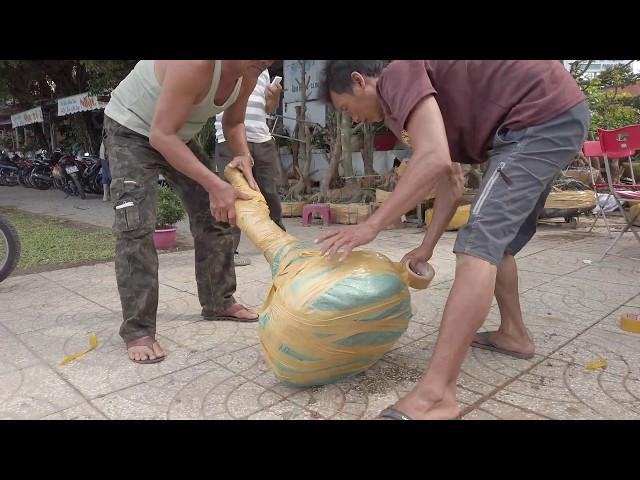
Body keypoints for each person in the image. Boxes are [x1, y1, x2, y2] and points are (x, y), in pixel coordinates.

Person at [317, 60, 589, 419]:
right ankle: (513, 334)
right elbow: (449, 176)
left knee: (477, 244)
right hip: (549, 116)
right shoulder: (414, 107)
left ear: (359, 80)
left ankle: (436, 395)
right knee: (496, 245)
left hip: (537, 117)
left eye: (347, 109)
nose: (353, 119)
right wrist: (427, 245)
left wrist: (372, 225)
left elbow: (432, 159)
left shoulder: (397, 76)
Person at [103, 60, 273, 364]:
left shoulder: (251, 71)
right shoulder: (196, 64)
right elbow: (159, 136)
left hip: (174, 134)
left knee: (216, 212)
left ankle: (218, 302)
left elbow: (234, 123)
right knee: (135, 226)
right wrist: (214, 184)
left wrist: (244, 156)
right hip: (131, 129)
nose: (265, 63)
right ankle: (138, 329)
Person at [214, 68, 284, 267]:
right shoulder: (225, 64)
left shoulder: (262, 68)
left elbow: (268, 108)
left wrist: (275, 97)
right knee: (233, 197)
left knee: (270, 192)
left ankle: (280, 244)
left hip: (261, 138)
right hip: (227, 139)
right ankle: (229, 252)